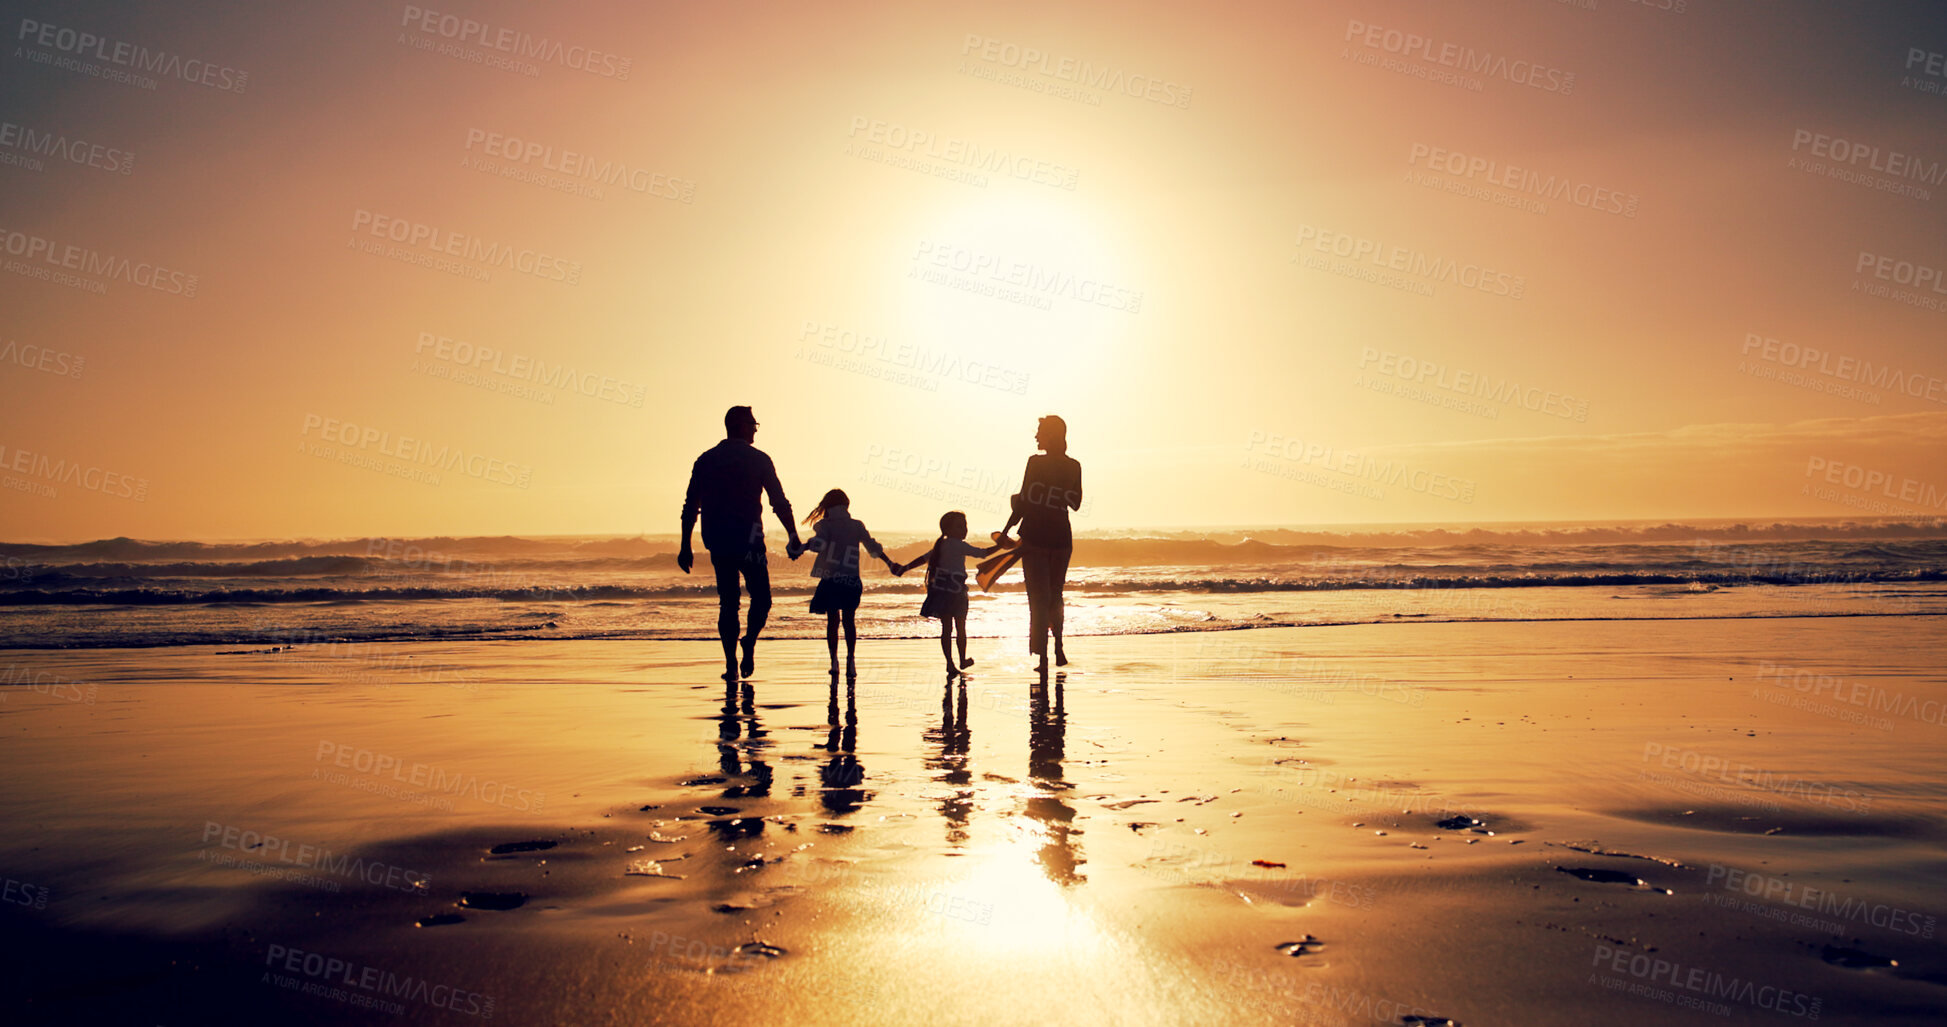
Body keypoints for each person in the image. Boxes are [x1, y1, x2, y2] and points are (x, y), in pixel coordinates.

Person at [678, 406, 801, 682]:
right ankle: (748, 644)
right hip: (750, 543)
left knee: (728, 603)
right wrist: (792, 535)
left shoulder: (706, 460)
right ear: (741, 426)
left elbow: (690, 507)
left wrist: (685, 545)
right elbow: (778, 502)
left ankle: (731, 662)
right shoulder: (759, 460)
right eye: (753, 424)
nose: (756, 429)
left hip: (718, 542)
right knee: (762, 599)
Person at [998, 415, 1081, 672]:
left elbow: (1023, 500)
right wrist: (1056, 492)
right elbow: (1075, 503)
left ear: (1051, 435)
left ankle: (1043, 658)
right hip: (1061, 536)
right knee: (1056, 594)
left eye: (1040, 432)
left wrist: (1005, 530)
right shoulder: (1074, 465)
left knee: (1039, 597)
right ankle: (1058, 648)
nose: (1036, 436)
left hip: (1035, 536)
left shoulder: (1035, 463)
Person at [793, 488, 897, 680]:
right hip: (852, 580)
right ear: (847, 505)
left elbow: (818, 544)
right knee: (849, 621)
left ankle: (834, 661)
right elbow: (873, 548)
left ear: (827, 505)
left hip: (831, 580)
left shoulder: (824, 525)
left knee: (833, 621)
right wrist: (890, 564)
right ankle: (851, 660)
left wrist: (801, 547)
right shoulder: (857, 525)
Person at [893, 510, 1000, 678]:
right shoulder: (957, 544)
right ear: (948, 529)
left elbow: (922, 559)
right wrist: (1002, 545)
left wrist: (904, 568)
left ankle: (950, 663)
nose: (964, 529)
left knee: (947, 629)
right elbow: (982, 553)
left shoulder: (940, 545)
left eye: (965, 525)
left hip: (942, 590)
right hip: (955, 591)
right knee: (960, 627)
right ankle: (961, 659)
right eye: (959, 526)